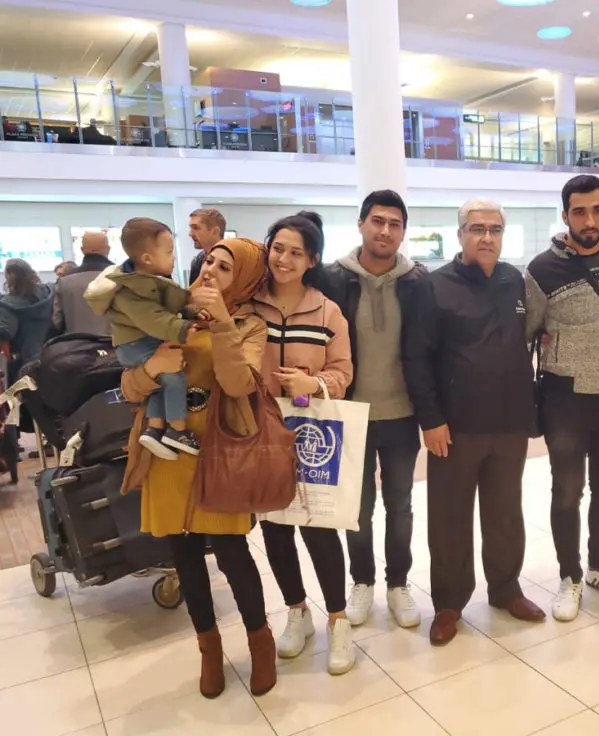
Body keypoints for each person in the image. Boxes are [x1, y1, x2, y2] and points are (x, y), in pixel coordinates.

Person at [119, 237, 275, 699]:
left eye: (225, 268)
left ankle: (260, 642)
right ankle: (209, 649)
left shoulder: (250, 326)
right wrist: (152, 370)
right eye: (209, 261)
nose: (209, 271)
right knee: (184, 556)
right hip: (166, 451)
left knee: (232, 553)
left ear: (244, 280)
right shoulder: (166, 312)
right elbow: (129, 388)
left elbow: (239, 382)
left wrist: (224, 323)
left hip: (220, 454)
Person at [405, 199, 545, 646]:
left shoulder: (514, 281)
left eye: (495, 229)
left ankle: (506, 589)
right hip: (455, 426)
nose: (487, 237)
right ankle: (449, 602)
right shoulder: (434, 287)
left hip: (508, 423)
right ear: (460, 233)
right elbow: (416, 356)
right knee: (449, 517)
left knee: (505, 514)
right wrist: (430, 418)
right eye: (478, 228)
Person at [525, 174, 599, 622]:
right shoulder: (541, 270)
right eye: (579, 211)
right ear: (565, 214)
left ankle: (598, 566)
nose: (589, 220)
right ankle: (569, 576)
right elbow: (526, 334)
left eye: (597, 210)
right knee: (568, 492)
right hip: (565, 398)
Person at [252, 211, 357, 675]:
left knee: (318, 527)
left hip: (310, 435)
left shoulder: (327, 311)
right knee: (275, 528)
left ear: (312, 260)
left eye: (296, 252)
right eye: (278, 248)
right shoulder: (248, 305)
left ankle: (338, 620)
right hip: (257, 432)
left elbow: (344, 371)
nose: (284, 259)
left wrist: (313, 383)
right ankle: (297, 610)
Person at [320, 190, 427, 630]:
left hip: (401, 414)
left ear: (403, 231)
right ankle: (361, 581)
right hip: (351, 416)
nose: (385, 231)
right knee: (357, 509)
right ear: (361, 224)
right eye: (377, 221)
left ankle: (398, 582)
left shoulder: (418, 282)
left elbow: (429, 348)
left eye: (395, 224)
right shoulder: (331, 279)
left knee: (399, 505)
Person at [84, 218, 199, 459]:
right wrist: (183, 328)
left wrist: (188, 313)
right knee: (173, 378)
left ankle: (155, 428)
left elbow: (166, 309)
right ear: (147, 258)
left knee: (159, 384)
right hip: (139, 344)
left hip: (143, 342)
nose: (174, 257)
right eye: (169, 252)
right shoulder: (133, 289)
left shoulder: (148, 282)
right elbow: (154, 319)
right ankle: (178, 430)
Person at [50, 232, 114, 337]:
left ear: (82, 250)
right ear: (108, 249)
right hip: (117, 348)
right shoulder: (124, 278)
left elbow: (57, 322)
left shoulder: (64, 281)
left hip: (77, 347)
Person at [0, 259, 54, 382]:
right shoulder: (48, 293)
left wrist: (9, 359)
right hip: (53, 353)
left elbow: (5, 333)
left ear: (9, 277)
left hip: (23, 361)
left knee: (22, 398)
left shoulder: (8, 304)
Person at [188, 208, 226, 285]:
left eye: (196, 228)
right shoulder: (197, 261)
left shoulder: (234, 262)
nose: (190, 233)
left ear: (215, 231)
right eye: (190, 228)